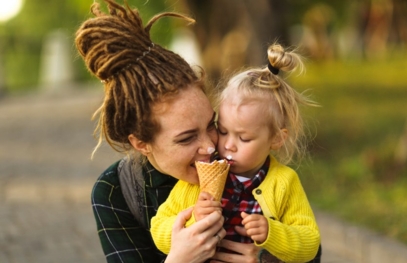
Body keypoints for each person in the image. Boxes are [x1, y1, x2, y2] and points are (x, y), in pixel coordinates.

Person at [75, 0, 263, 262]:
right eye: (186, 138)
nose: (210, 147)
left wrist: (267, 256)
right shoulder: (117, 191)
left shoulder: (242, 157)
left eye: (211, 124)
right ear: (141, 142)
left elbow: (311, 250)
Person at [151, 43, 321, 262]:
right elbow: (158, 229)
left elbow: (310, 243)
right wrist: (194, 219)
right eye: (222, 131)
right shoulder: (200, 178)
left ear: (277, 139)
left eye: (244, 138)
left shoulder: (284, 182)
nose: (228, 145)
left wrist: (273, 234)